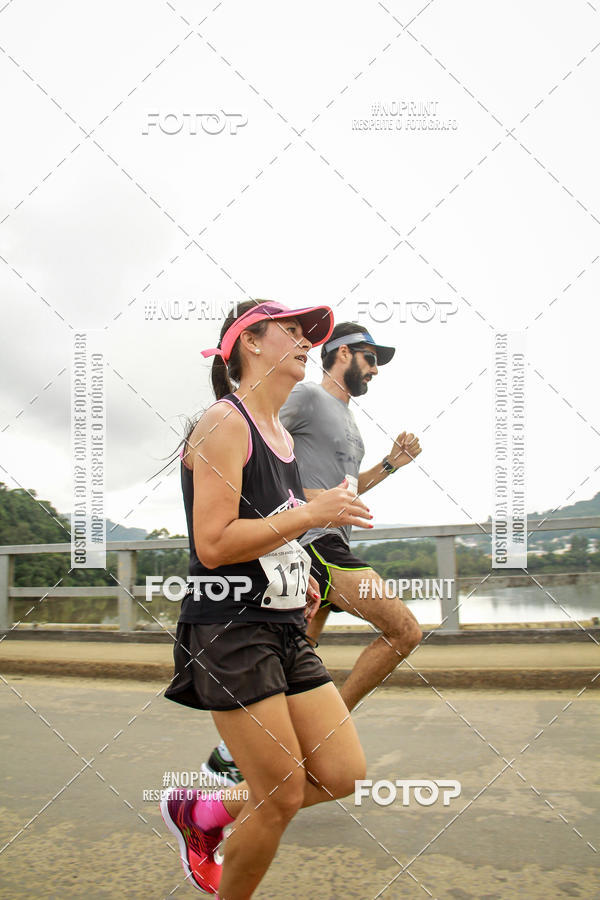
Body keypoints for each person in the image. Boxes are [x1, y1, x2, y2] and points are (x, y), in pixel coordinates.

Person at [161, 300, 372, 899]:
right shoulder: (224, 424)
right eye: (293, 331)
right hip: (230, 629)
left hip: (282, 626)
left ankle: (200, 811)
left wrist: (295, 566)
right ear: (250, 343)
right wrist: (310, 513)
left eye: (310, 334)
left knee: (340, 774)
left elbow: (266, 529)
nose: (308, 341)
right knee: (278, 798)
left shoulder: (280, 436)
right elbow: (213, 541)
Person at [203, 322, 423, 789]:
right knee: (403, 630)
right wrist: (311, 507)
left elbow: (347, 488)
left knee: (294, 655)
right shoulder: (305, 398)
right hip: (313, 541)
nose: (376, 369)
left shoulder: (350, 422)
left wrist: (388, 464)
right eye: (370, 358)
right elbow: (261, 460)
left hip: (328, 545)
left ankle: (228, 756)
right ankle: (323, 735)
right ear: (341, 354)